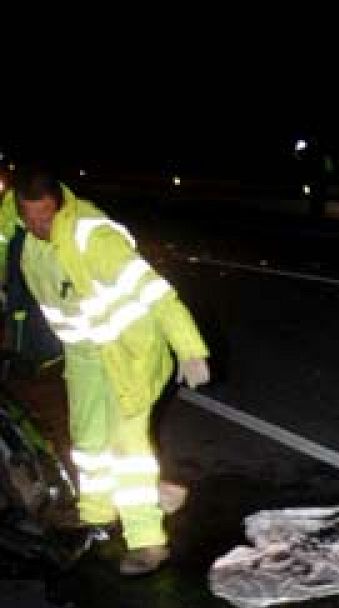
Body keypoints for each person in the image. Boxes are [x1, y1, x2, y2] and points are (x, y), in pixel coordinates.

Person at [0, 167, 210, 575]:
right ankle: (97, 514)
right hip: (85, 353)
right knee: (89, 437)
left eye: (46, 216)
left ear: (61, 206)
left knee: (128, 448)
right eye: (30, 218)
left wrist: (190, 350)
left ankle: (147, 542)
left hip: (130, 350)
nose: (39, 226)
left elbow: (157, 294)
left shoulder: (94, 239)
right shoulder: (18, 220)